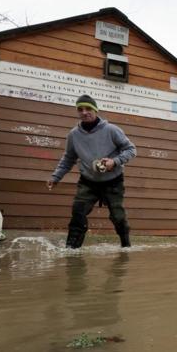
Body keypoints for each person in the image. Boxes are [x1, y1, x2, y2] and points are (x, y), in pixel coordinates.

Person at [47, 95, 137, 248]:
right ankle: (71, 250)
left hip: (113, 182)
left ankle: (126, 246)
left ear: (95, 110)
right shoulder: (74, 135)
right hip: (88, 182)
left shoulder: (111, 130)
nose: (84, 112)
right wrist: (56, 176)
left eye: (88, 108)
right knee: (78, 214)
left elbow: (131, 150)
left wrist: (114, 162)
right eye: (80, 109)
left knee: (118, 216)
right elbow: (68, 158)